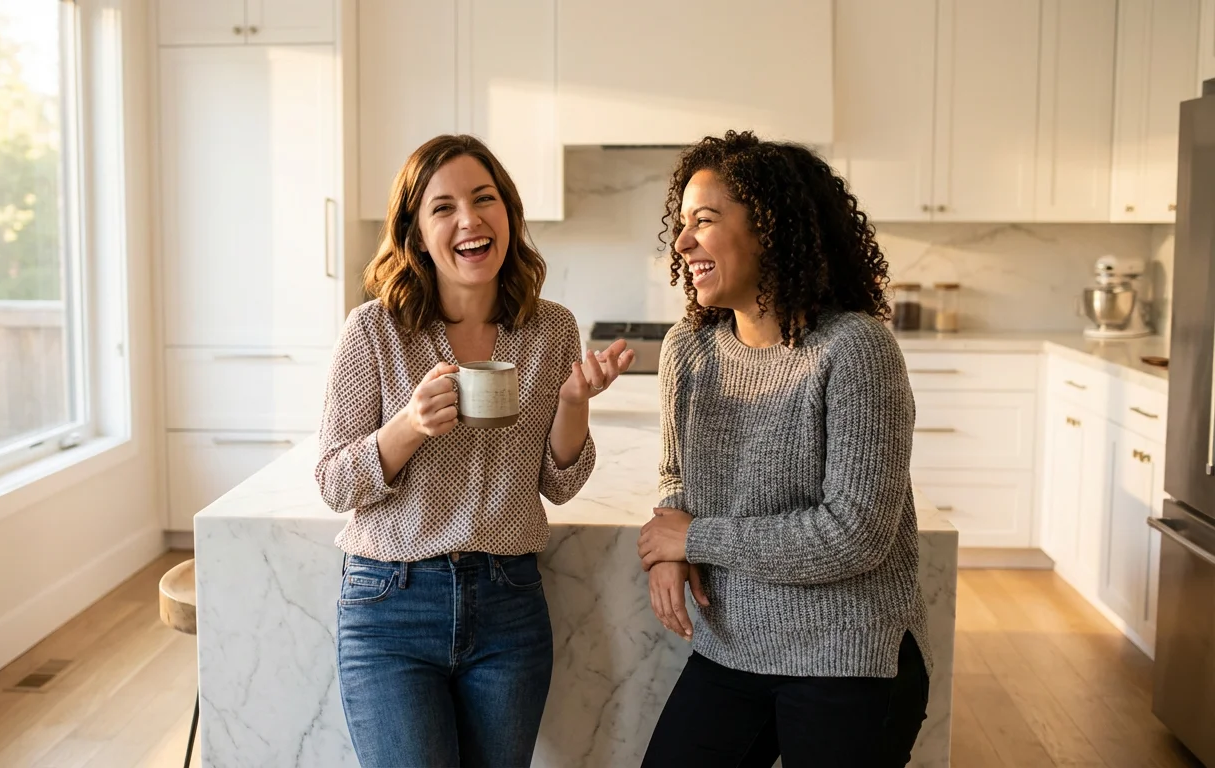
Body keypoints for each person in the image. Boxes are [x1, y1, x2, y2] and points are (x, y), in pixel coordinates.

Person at [315, 134, 633, 768]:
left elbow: (558, 484)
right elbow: (333, 483)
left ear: (509, 214)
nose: (469, 218)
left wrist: (573, 402)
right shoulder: (375, 331)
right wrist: (407, 426)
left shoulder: (550, 329)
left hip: (508, 604)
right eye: (444, 206)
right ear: (415, 232)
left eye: (484, 198)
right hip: (389, 607)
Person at [635, 131, 931, 768]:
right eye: (681, 224)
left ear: (769, 229)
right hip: (731, 648)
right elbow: (676, 475)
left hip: (847, 655)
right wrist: (667, 547)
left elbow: (853, 535)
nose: (682, 242)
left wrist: (695, 540)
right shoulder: (687, 350)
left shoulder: (854, 350)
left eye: (705, 221)